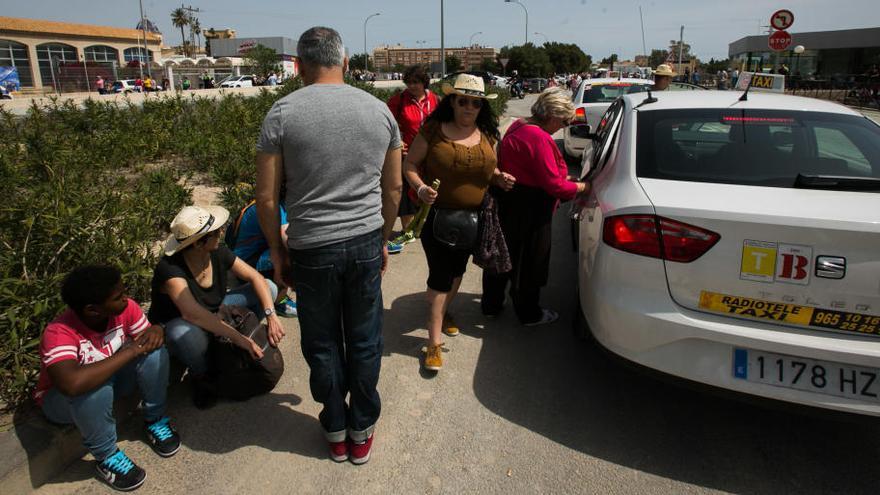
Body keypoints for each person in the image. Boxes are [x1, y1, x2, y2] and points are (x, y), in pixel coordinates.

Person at [255, 26, 402, 465]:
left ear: (298, 65)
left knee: (321, 342)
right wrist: (382, 239)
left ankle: (335, 429)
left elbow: (266, 197)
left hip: (311, 246)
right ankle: (362, 429)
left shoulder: (281, 113)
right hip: (362, 242)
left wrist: (277, 253)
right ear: (345, 61)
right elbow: (392, 190)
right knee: (364, 339)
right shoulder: (379, 111)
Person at [403, 73, 515, 372]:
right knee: (440, 277)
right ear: (451, 101)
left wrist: (499, 178)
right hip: (437, 217)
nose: (469, 108)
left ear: (482, 107)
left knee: (457, 272)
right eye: (462, 101)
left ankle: (444, 312)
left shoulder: (488, 134)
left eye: (475, 103)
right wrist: (420, 188)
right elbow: (410, 164)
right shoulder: (433, 129)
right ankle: (434, 342)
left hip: (475, 220)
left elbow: (487, 169)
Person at [35, 265, 180, 492]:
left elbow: (146, 336)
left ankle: (155, 419)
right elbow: (71, 385)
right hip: (63, 403)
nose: (126, 299)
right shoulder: (58, 333)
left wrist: (156, 331)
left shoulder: (126, 309)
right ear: (93, 310)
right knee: (92, 388)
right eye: (118, 296)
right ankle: (106, 456)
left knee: (154, 353)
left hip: (110, 382)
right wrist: (130, 352)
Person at [148, 205, 284, 409]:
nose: (221, 233)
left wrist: (271, 314)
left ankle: (228, 341)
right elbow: (192, 314)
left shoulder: (217, 252)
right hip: (187, 322)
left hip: (216, 311)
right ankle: (202, 374)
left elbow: (254, 277)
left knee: (269, 288)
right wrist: (242, 341)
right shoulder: (170, 269)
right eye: (214, 233)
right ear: (197, 244)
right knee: (182, 332)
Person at [482, 88, 588, 325]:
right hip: (531, 208)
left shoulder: (519, 125)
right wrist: (583, 188)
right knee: (530, 263)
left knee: (503, 256)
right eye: (563, 121)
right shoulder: (538, 137)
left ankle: (491, 304)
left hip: (512, 202)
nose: (563, 127)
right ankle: (529, 313)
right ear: (551, 116)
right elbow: (554, 186)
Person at [385, 64, 439, 250]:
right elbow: (386, 124)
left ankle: (423, 224)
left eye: (416, 82)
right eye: (409, 83)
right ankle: (408, 229)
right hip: (407, 155)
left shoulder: (436, 100)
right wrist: (398, 143)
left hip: (431, 153)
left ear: (424, 82)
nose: (412, 86)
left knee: (429, 188)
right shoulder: (399, 100)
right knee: (406, 191)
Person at [227, 200, 298, 316]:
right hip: (245, 262)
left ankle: (278, 294)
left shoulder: (268, 202)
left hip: (244, 257)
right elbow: (289, 242)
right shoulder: (276, 207)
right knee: (286, 255)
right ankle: (280, 302)